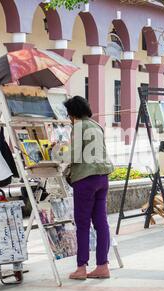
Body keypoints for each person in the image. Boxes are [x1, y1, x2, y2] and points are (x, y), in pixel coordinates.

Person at [63, 96, 115, 280]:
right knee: (101, 223)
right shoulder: (96, 125)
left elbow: (75, 156)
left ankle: (81, 267)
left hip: (85, 179)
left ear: (73, 112)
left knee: (83, 224)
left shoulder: (78, 127)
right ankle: (103, 265)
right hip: (102, 178)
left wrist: (62, 163)